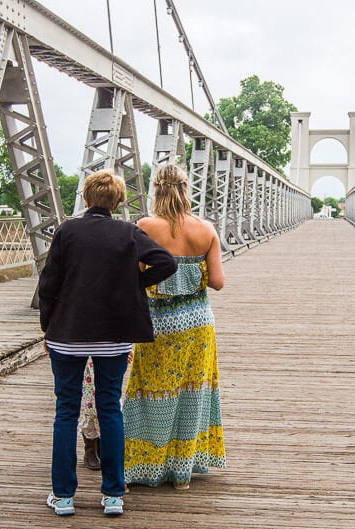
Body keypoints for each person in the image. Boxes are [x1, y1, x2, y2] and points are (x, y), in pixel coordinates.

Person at [38, 170, 176, 516]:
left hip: (68, 335)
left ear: (86, 199)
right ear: (118, 202)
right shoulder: (128, 232)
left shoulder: (67, 230)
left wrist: (48, 329)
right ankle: (113, 495)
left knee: (66, 412)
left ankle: (64, 496)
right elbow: (166, 262)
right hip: (113, 337)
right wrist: (134, 281)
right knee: (110, 409)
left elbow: (48, 284)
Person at [123, 163, 226, 490]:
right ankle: (182, 474)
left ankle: (147, 467)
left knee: (150, 391)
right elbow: (219, 283)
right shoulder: (206, 230)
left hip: (158, 322)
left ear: (157, 189)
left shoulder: (144, 226)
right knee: (191, 394)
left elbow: (134, 275)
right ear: (186, 189)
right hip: (197, 323)